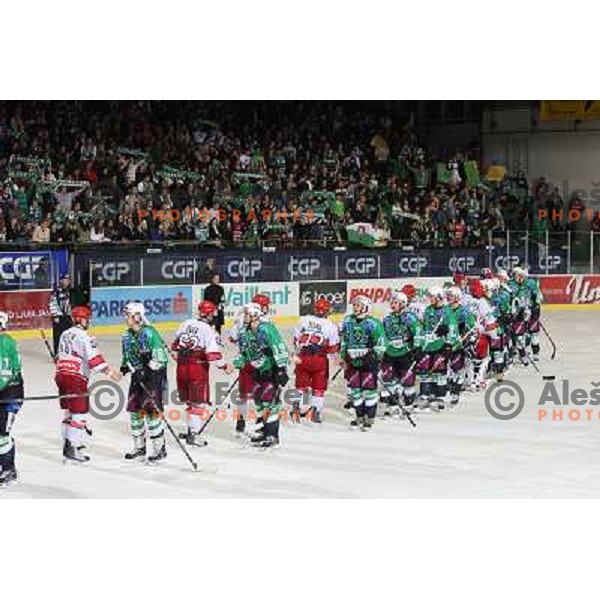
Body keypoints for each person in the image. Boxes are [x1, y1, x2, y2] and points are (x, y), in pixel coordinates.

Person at [55, 306, 121, 463]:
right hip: (75, 377)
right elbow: (94, 359)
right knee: (79, 412)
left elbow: (59, 355)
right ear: (82, 320)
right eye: (87, 319)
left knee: (69, 411)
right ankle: (73, 447)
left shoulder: (65, 334)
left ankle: (67, 442)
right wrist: (110, 372)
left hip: (60, 375)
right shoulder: (85, 336)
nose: (88, 322)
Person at [172, 300, 233, 446]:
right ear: (210, 314)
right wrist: (224, 366)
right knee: (198, 403)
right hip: (197, 368)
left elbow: (175, 345)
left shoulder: (186, 323)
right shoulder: (208, 329)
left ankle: (190, 430)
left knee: (189, 401)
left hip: (181, 367)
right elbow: (212, 354)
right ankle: (193, 435)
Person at [233, 302, 289, 448]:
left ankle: (272, 436)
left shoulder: (267, 329)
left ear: (255, 315)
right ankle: (265, 432)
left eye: (246, 314)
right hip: (258, 371)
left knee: (271, 402)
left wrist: (282, 368)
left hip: (273, 370)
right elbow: (245, 353)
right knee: (259, 401)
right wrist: (240, 360)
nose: (244, 317)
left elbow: (279, 346)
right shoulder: (244, 333)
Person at [120, 302, 170, 463]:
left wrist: (146, 371)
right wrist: (124, 369)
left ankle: (159, 449)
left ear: (137, 316)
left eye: (127, 315)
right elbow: (127, 358)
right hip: (138, 378)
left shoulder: (150, 333)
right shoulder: (126, 335)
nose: (125, 318)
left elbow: (162, 358)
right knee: (135, 413)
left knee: (151, 413)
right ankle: (139, 448)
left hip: (154, 378)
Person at [339, 295, 385, 429]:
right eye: (354, 305)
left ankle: (369, 417)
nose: (355, 307)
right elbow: (344, 341)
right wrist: (344, 357)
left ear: (366, 307)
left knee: (369, 391)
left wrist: (373, 355)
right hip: (352, 362)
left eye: (358, 305)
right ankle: (358, 416)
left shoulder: (374, 323)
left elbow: (381, 343)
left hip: (368, 363)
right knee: (355, 392)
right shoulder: (347, 321)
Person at [292, 298, 340, 423]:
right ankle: (316, 412)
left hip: (303, 358)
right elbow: (334, 347)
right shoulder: (330, 325)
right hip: (319, 359)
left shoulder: (303, 319)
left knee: (301, 385)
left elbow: (296, 339)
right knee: (319, 387)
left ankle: (296, 409)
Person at [380, 291, 422, 416]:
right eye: (391, 302)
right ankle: (393, 406)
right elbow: (383, 335)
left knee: (407, 381)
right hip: (390, 353)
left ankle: (408, 405)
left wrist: (417, 348)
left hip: (405, 353)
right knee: (389, 380)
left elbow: (417, 332)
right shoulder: (387, 318)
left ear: (403, 304)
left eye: (395, 302)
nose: (392, 305)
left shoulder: (410, 317)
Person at [417, 287, 459, 410]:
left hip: (440, 345)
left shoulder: (447, 311)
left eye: (432, 296)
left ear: (439, 297)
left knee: (439, 371)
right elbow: (424, 327)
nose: (430, 299)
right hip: (428, 345)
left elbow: (452, 328)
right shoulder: (428, 310)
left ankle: (441, 395)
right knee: (425, 371)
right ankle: (426, 394)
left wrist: (448, 344)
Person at [0, 312, 24, 486]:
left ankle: (9, 470)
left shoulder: (6, 342)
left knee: (3, 434)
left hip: (10, 395)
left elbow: (6, 373)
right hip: (3, 392)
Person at [49, 272, 74, 355]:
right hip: (59, 317)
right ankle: (58, 354)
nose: (67, 281)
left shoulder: (68, 290)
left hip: (67, 316)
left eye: (68, 279)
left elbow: (69, 304)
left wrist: (71, 315)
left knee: (69, 335)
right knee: (58, 336)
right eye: (65, 279)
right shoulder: (56, 291)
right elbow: (52, 303)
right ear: (61, 280)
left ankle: (68, 352)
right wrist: (55, 315)